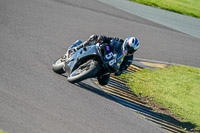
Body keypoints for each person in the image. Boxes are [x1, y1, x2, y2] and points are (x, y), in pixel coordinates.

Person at [68, 35, 140, 85]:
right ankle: (77, 48)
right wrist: (102, 38)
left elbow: (123, 68)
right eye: (129, 47)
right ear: (126, 43)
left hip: (108, 65)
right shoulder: (119, 41)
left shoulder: (129, 59)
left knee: (104, 82)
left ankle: (87, 72)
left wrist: (119, 72)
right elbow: (108, 39)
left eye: (131, 50)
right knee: (94, 38)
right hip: (103, 53)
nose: (129, 50)